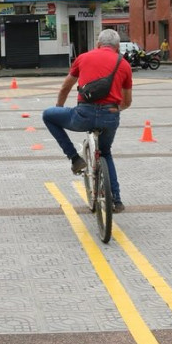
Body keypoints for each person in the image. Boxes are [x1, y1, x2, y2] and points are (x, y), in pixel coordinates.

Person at [42, 29, 133, 213]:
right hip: (110, 116)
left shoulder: (83, 58)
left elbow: (65, 87)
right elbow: (127, 101)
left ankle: (75, 159)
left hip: (83, 115)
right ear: (117, 47)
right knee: (105, 153)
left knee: (48, 115)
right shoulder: (124, 64)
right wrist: (114, 110)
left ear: (98, 44)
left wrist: (60, 107)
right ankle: (116, 201)